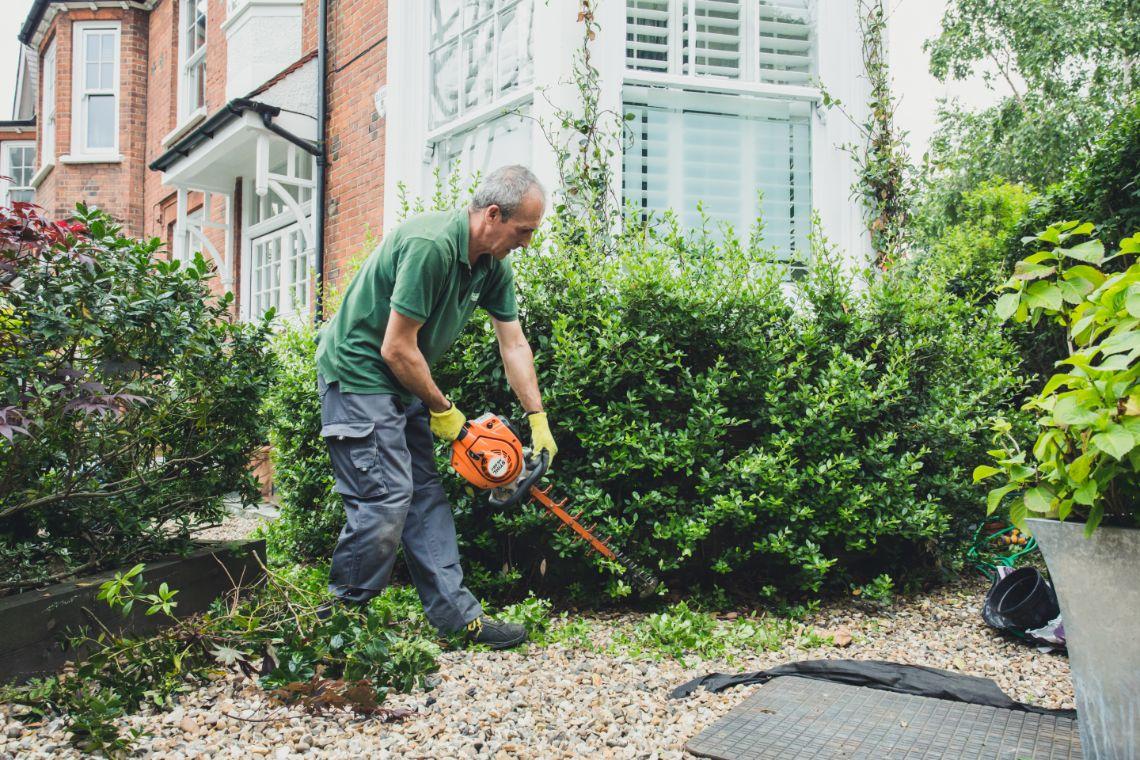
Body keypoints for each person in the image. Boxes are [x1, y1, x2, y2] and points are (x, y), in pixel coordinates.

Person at [314, 165, 557, 649]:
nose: (528, 242)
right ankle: (333, 627)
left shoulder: (492, 266)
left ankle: (456, 618)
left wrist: (537, 418)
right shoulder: (431, 247)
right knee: (386, 496)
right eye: (524, 230)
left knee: (424, 494)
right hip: (359, 374)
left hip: (402, 381)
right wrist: (447, 413)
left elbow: (513, 345)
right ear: (492, 215)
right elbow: (395, 347)